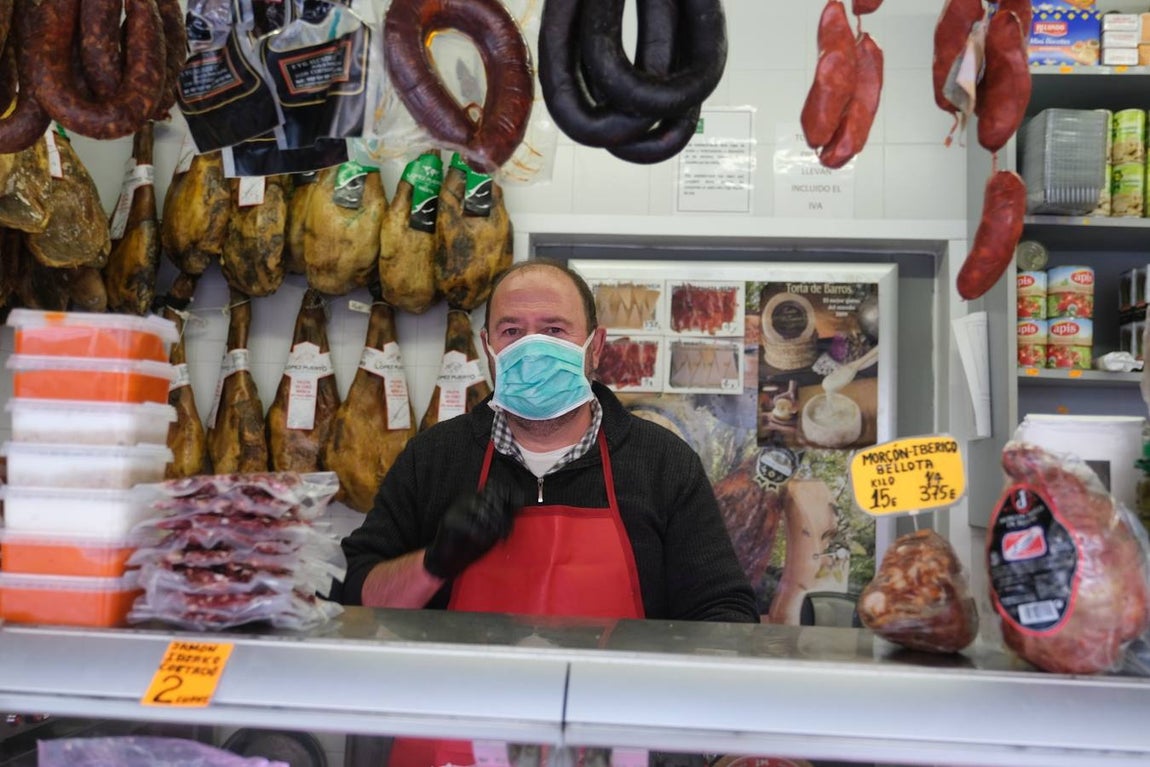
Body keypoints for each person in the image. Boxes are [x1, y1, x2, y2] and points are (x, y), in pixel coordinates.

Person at [341, 259, 757, 767]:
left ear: (595, 347)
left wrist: (674, 739)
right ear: (487, 346)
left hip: (615, 747)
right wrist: (434, 562)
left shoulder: (661, 464)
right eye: (512, 331)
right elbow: (357, 604)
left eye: (554, 331)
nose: (531, 347)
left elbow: (725, 617)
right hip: (455, 748)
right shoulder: (434, 458)